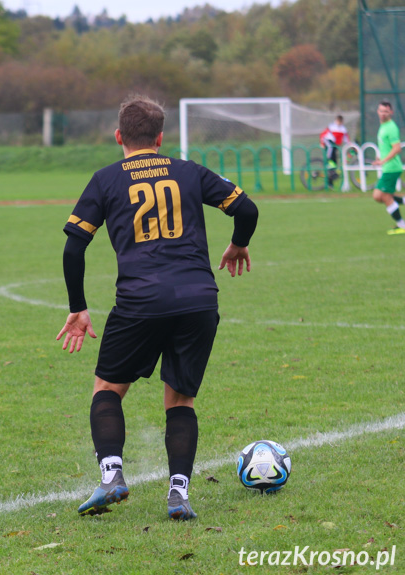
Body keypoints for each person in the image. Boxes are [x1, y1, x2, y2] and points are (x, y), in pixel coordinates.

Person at [56, 95, 258, 521]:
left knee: (108, 390)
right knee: (180, 400)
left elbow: (74, 247)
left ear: (119, 137)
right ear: (161, 138)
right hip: (198, 300)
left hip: (140, 302)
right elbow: (246, 208)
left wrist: (78, 307)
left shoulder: (106, 179)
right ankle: (179, 494)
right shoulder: (188, 171)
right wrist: (239, 243)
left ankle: (112, 475)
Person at [370, 101, 405, 235]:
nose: (383, 113)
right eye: (381, 111)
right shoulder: (383, 126)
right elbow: (387, 147)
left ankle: (402, 225)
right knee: (379, 196)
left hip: (392, 167)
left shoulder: (391, 127)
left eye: (386, 111)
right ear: (378, 111)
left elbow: (397, 148)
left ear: (391, 113)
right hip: (388, 166)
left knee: (381, 195)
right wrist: (380, 159)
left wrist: (383, 161)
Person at [319, 115, 350, 187]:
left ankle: (330, 182)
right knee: (331, 148)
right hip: (329, 143)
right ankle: (328, 159)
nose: (339, 123)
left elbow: (346, 139)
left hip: (335, 146)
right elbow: (323, 135)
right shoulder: (331, 127)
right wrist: (322, 143)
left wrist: (350, 144)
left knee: (334, 165)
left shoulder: (343, 129)